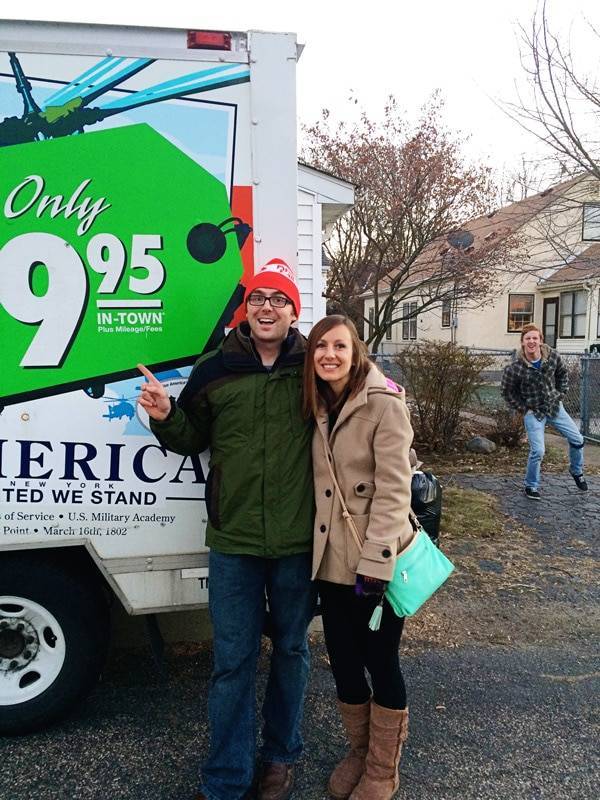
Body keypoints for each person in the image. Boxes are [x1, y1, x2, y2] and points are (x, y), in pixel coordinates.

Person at [138, 259, 316, 800]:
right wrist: (167, 414)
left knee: (290, 651)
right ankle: (226, 778)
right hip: (233, 540)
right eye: (259, 297)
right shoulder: (216, 367)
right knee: (232, 661)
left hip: (299, 541)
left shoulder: (314, 365)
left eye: (279, 299)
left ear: (293, 311)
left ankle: (280, 758)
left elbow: (360, 415)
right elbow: (192, 437)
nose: (267, 307)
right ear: (247, 308)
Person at [303, 314, 414, 800]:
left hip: (374, 562)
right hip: (330, 560)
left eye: (340, 346)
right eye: (320, 346)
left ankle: (384, 768)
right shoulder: (317, 403)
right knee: (343, 662)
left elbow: (395, 489)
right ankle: (359, 750)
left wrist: (377, 562)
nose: (329, 354)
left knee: (380, 659)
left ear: (356, 352)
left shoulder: (383, 403)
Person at [501, 323, 587, 500]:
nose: (531, 341)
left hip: (555, 408)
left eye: (535, 338)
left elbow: (563, 374)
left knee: (578, 439)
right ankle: (531, 486)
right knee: (538, 451)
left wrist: (561, 393)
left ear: (540, 340)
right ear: (523, 342)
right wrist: (523, 408)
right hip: (534, 413)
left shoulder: (553, 356)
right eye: (527, 338)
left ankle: (576, 471)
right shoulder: (515, 367)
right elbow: (507, 392)